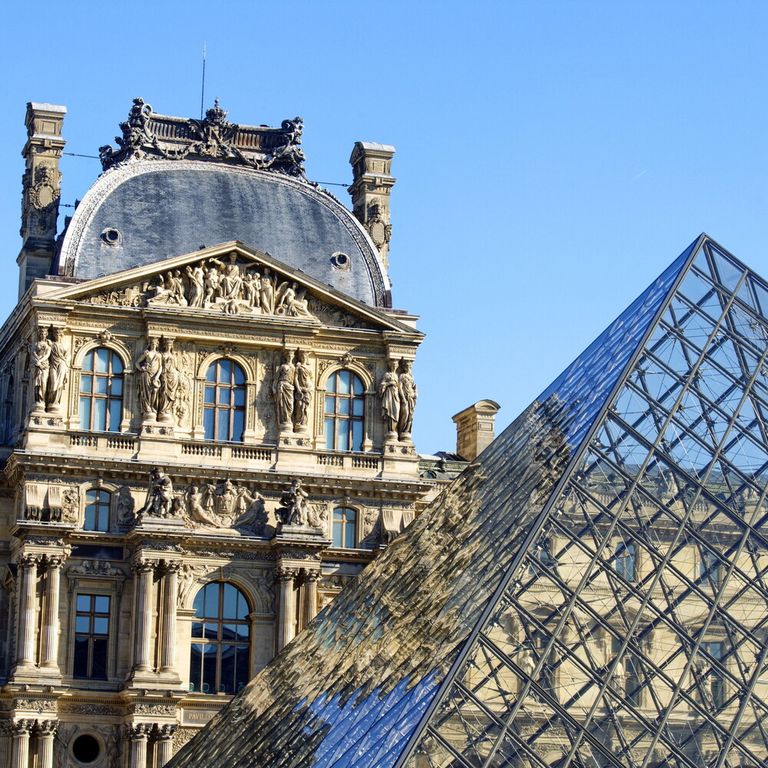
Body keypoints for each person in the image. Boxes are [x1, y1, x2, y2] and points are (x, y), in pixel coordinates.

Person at [136, 337, 162, 418]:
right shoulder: (147, 353)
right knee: (146, 393)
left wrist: (157, 376)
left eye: (155, 344)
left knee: (155, 390)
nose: (153, 345)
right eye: (152, 344)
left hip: (155, 376)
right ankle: (147, 409)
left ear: (157, 345)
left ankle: (153, 407)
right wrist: (141, 368)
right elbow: (137, 363)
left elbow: (161, 367)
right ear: (150, 344)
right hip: (146, 374)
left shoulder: (159, 355)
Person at [46, 327, 69, 410]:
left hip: (62, 364)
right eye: (56, 334)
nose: (57, 336)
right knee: (53, 383)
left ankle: (55, 402)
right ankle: (50, 401)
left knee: (59, 383)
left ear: (62, 335)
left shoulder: (65, 346)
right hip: (53, 365)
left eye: (59, 334)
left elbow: (67, 358)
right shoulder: (51, 344)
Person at [272, 349, 295, 430]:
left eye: (291, 356)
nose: (290, 357)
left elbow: (295, 380)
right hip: (282, 385)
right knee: (282, 405)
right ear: (286, 357)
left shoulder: (294, 367)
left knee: (290, 406)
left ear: (293, 357)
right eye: (288, 356)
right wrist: (274, 387)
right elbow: (276, 378)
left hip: (290, 387)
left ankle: (288, 420)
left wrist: (298, 389)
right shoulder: (282, 366)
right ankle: (285, 421)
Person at [378, 359, 400, 438]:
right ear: (390, 366)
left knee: (396, 412)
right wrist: (389, 383)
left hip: (396, 395)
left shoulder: (398, 375)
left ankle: (394, 429)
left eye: (395, 365)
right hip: (389, 394)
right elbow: (382, 384)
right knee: (390, 412)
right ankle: (391, 430)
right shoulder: (387, 374)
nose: (394, 367)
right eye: (393, 365)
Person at [30, 327, 51, 410]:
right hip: (37, 367)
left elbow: (47, 354)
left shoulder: (48, 345)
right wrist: (37, 361)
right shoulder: (36, 344)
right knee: (37, 384)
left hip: (44, 366)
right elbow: (33, 353)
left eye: (44, 334)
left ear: (46, 335)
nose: (42, 335)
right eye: (41, 334)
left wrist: (40, 361)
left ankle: (42, 400)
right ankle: (38, 400)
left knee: (43, 383)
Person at [397, 358, 417, 439]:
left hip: (411, 398)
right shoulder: (402, 376)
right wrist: (402, 398)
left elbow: (415, 387)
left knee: (410, 415)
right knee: (405, 413)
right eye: (406, 366)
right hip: (405, 398)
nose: (407, 368)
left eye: (409, 367)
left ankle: (406, 431)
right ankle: (402, 430)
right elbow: (400, 387)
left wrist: (415, 394)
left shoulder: (411, 377)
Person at [293, 349, 312, 430]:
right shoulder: (298, 367)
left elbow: (310, 380)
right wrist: (298, 389)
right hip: (300, 390)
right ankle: (298, 423)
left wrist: (309, 388)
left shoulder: (309, 368)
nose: (303, 358)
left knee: (306, 408)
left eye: (305, 356)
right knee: (300, 405)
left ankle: (303, 423)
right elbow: (295, 379)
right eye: (302, 356)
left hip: (307, 390)